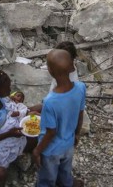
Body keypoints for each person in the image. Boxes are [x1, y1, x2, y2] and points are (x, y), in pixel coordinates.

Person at [33, 49, 86, 187]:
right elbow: (80, 114)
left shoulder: (50, 101)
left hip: (51, 150)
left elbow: (51, 132)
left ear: (50, 71)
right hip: (68, 143)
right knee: (65, 171)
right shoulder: (81, 88)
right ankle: (66, 183)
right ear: (72, 67)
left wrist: (37, 151)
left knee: (47, 178)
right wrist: (77, 134)